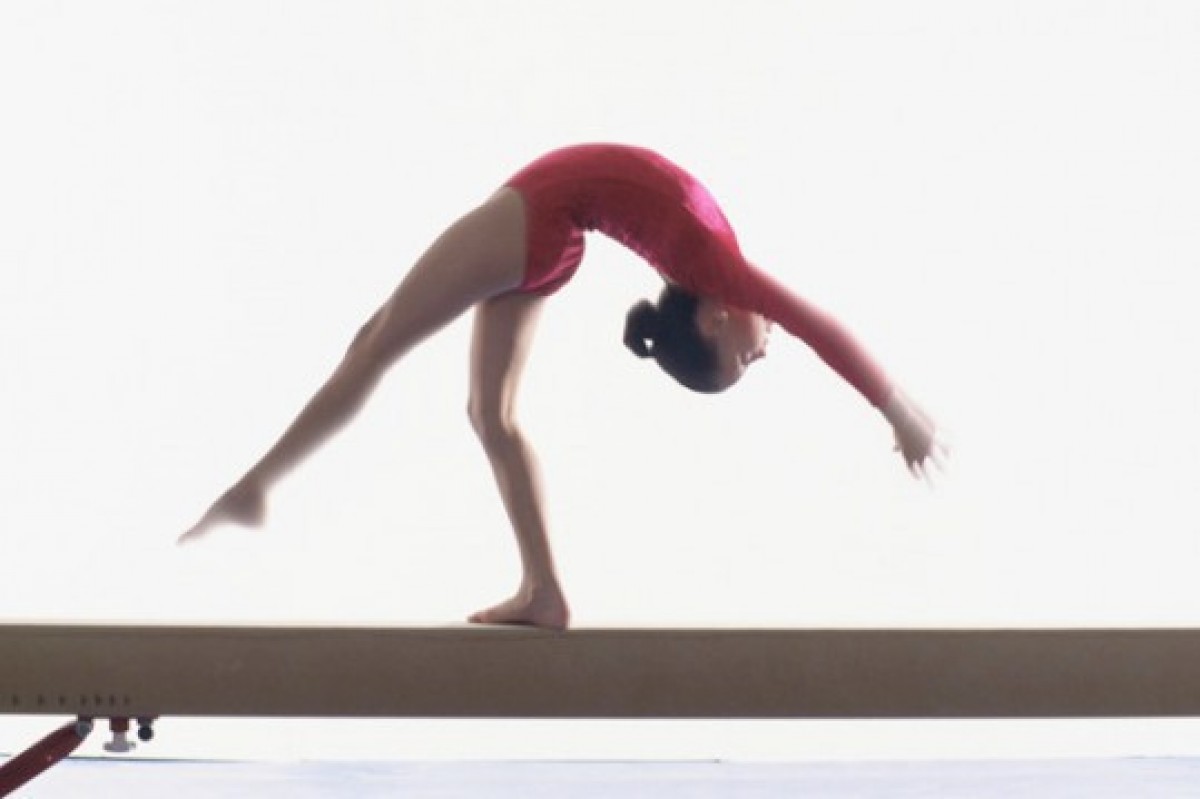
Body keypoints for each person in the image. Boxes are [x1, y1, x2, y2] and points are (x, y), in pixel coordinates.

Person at [179, 143, 944, 631]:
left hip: (544, 216)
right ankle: (543, 590)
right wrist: (899, 410)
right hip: (554, 230)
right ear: (713, 320)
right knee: (490, 415)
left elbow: (814, 329)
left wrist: (898, 412)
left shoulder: (718, 275)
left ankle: (256, 488)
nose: (764, 351)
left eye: (748, 363)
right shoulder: (721, 274)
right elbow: (819, 327)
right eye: (747, 362)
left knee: (377, 343)